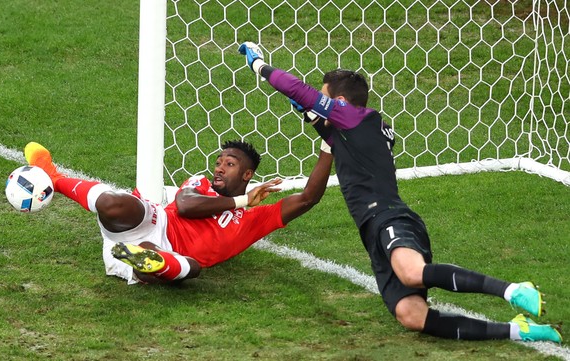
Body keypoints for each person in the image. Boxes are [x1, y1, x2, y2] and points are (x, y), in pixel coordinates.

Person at [238, 41, 562, 343]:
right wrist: (307, 112)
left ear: (338, 103)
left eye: (325, 99)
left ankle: (514, 291)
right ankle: (519, 331)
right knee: (412, 315)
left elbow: (300, 92)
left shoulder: (354, 118)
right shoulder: (359, 127)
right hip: (372, 226)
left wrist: (260, 66)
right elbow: (317, 118)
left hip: (389, 215)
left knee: (411, 274)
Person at [24, 139, 333, 285]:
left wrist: (328, 148)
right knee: (113, 204)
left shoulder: (256, 220)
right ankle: (51, 175)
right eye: (219, 161)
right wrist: (242, 201)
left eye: (230, 164)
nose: (219, 168)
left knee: (191, 268)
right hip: (154, 221)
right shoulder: (200, 183)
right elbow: (185, 206)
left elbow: (307, 198)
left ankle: (135, 259)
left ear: (248, 175)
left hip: (163, 251)